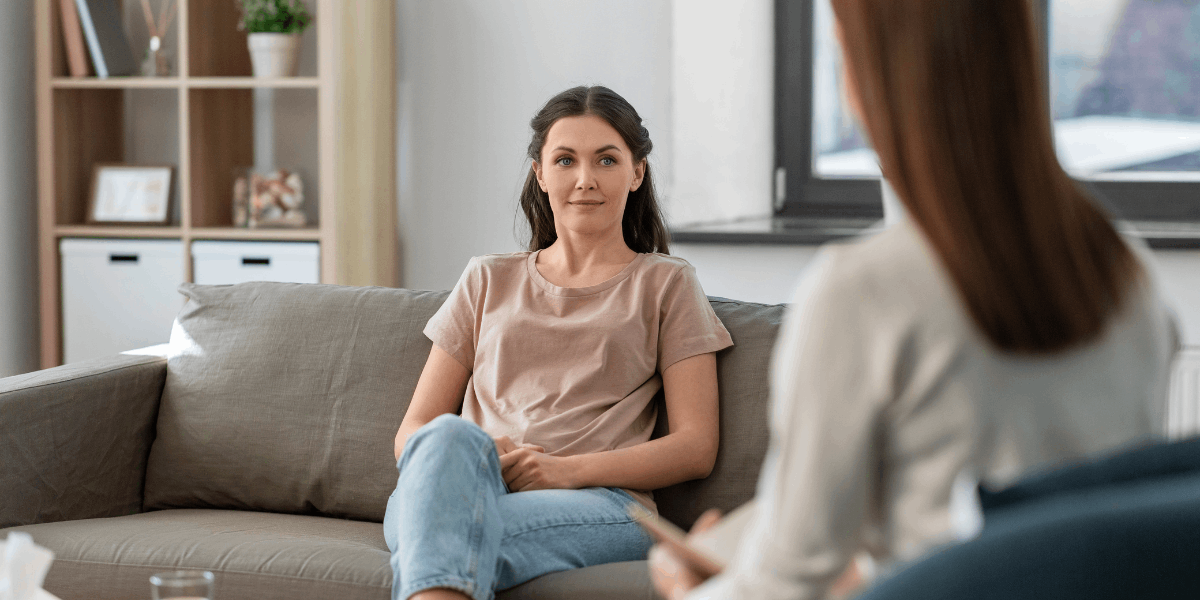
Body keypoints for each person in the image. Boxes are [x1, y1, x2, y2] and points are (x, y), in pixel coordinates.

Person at [649, 0, 1181, 598]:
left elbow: (787, 580)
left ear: (870, 71)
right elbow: (1058, 537)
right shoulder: (1126, 266)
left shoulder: (863, 289)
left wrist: (685, 589)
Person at [384, 85, 734, 600]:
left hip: (601, 502)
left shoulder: (667, 284)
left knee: (444, 536)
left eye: (607, 160)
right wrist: (483, 452)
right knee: (447, 441)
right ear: (540, 173)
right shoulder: (486, 278)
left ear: (637, 172)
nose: (585, 180)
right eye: (566, 160)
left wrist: (564, 471)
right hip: (462, 484)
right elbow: (411, 433)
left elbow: (695, 447)